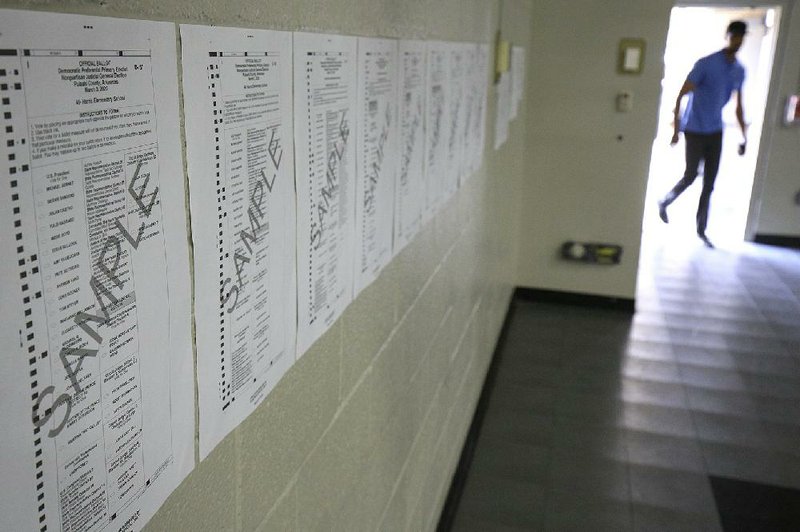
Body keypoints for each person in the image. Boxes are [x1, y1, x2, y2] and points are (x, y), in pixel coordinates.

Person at [657, 20, 748, 248]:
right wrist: (676, 129)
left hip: (716, 130)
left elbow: (738, 105)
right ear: (727, 36)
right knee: (690, 176)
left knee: (710, 182)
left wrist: (743, 136)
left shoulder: (738, 70)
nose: (737, 41)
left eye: (741, 37)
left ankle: (701, 229)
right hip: (695, 128)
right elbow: (681, 95)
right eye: (734, 36)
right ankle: (665, 201)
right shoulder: (707, 64)